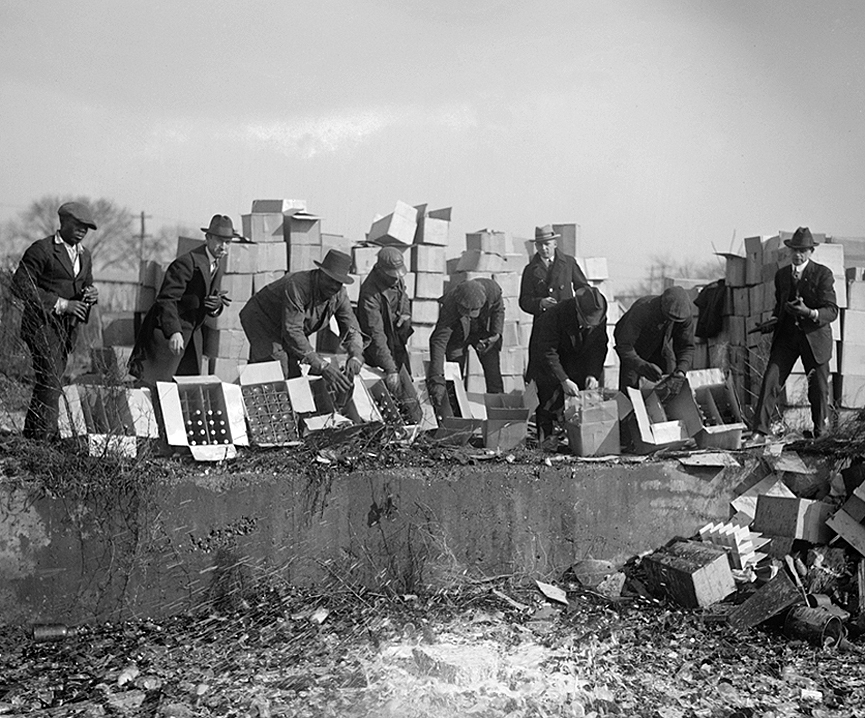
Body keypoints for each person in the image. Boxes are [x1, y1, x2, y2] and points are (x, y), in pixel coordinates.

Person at [12, 201, 99, 439]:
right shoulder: (41, 250)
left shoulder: (85, 255)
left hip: (67, 329)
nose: (82, 231)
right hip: (40, 325)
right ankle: (42, 441)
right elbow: (20, 285)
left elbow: (85, 283)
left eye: (86, 227)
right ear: (63, 222)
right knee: (51, 378)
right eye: (78, 225)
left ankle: (32, 436)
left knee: (50, 379)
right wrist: (62, 304)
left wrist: (91, 293)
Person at [749, 227, 838, 444]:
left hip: (815, 339)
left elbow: (832, 310)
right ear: (789, 251)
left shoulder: (822, 274)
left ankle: (821, 434)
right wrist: (771, 322)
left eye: (803, 251)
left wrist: (809, 312)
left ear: (810, 252)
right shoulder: (781, 276)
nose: (798, 255)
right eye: (795, 250)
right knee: (771, 380)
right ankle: (759, 432)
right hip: (787, 338)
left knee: (818, 388)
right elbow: (780, 307)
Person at [129, 214, 237, 384]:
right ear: (208, 238)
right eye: (219, 240)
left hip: (192, 338)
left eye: (228, 242)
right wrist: (174, 331)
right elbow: (166, 299)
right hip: (168, 335)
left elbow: (212, 297)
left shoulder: (217, 264)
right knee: (153, 388)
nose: (223, 246)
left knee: (185, 390)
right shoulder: (186, 263)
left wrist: (216, 306)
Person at [239, 249, 363, 393]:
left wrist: (356, 355)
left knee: (294, 375)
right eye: (330, 280)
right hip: (262, 320)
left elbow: (352, 329)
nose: (334, 286)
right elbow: (292, 330)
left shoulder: (339, 294)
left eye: (338, 283)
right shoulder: (298, 285)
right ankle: (258, 406)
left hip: (287, 326)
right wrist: (322, 366)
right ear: (321, 272)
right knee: (277, 370)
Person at [525, 285, 608, 446]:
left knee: (580, 396)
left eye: (592, 325)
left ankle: (578, 439)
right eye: (585, 322)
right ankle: (546, 439)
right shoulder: (554, 316)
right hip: (548, 356)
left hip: (578, 355)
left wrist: (593, 373)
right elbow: (548, 352)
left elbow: (599, 347)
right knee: (548, 398)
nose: (589, 326)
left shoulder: (599, 316)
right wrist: (563, 379)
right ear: (578, 311)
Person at [427, 278, 504, 419]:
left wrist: (496, 334)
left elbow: (499, 310)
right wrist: (436, 377)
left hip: (484, 334)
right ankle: (456, 418)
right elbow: (438, 340)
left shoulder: (493, 290)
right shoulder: (450, 303)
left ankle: (498, 420)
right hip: (458, 336)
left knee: (493, 375)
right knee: (455, 379)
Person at [614, 285, 695, 396]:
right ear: (662, 306)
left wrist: (681, 371)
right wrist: (640, 365)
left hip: (661, 347)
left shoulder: (685, 316)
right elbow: (624, 345)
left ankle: (660, 412)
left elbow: (686, 346)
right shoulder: (642, 309)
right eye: (669, 317)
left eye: (676, 320)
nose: (672, 321)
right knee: (629, 394)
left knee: (669, 387)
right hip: (634, 350)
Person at [355, 246, 413, 394]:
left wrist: (405, 312)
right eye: (393, 276)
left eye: (399, 275)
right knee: (385, 387)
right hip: (376, 349)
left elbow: (404, 295)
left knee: (407, 384)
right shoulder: (370, 293)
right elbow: (376, 334)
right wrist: (390, 369)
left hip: (396, 338)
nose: (397, 279)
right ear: (381, 270)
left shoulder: (396, 278)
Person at [519, 224, 589, 318]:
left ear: (555, 244)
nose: (543, 248)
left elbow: (583, 288)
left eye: (547, 244)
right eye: (539, 245)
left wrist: (576, 307)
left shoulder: (569, 263)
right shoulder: (530, 269)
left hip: (567, 320)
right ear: (536, 246)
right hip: (543, 323)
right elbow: (524, 301)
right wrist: (540, 303)